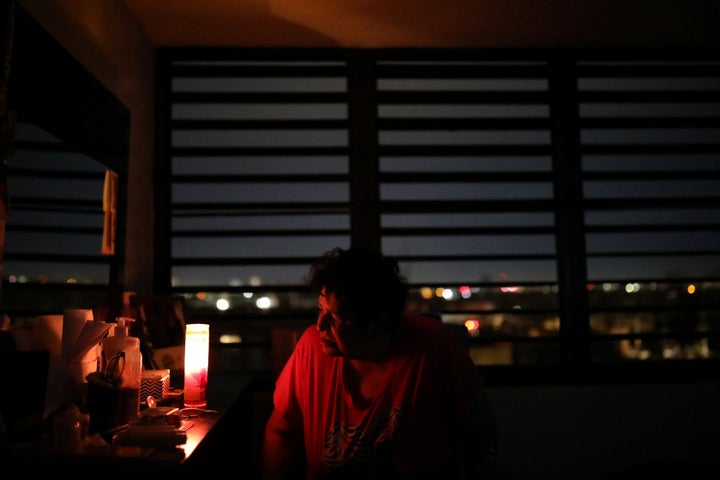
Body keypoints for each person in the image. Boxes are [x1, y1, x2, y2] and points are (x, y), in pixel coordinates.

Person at [261, 246, 498, 480]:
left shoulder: (432, 347)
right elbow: (281, 430)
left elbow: (479, 433)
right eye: (320, 309)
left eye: (335, 317)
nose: (320, 325)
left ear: (379, 323)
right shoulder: (311, 348)